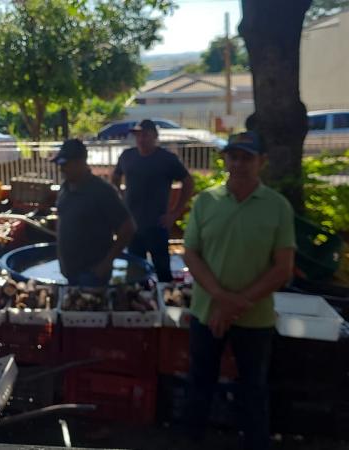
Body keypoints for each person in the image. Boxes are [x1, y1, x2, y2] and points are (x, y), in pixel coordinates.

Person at [182, 131, 295, 450]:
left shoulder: (278, 207)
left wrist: (237, 304)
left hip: (255, 318)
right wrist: (221, 297)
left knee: (254, 387)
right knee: (199, 381)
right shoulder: (206, 201)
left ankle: (256, 442)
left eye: (248, 157)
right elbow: (191, 254)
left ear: (262, 161)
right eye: (234, 156)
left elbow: (283, 267)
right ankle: (191, 439)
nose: (240, 163)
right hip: (207, 313)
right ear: (225, 160)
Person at [111, 119, 195, 282]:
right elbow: (115, 177)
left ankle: (165, 302)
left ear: (155, 136)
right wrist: (120, 201)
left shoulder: (167, 159)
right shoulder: (127, 156)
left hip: (158, 225)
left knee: (163, 271)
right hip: (133, 226)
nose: (141, 139)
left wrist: (175, 213)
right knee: (135, 273)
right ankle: (137, 303)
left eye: (145, 135)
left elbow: (188, 183)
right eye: (138, 135)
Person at [54, 138, 135, 286]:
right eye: (60, 164)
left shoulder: (103, 192)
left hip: (93, 274)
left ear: (80, 162)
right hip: (69, 271)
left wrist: (106, 263)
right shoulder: (65, 188)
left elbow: (127, 229)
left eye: (65, 164)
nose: (61, 168)